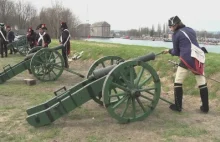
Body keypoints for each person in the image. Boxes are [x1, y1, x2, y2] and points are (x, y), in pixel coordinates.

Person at [162, 16, 209, 113]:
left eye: (171, 27)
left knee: (178, 82)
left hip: (186, 59)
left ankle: (178, 106)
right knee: (201, 82)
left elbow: (176, 52)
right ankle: (205, 107)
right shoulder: (190, 30)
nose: (170, 29)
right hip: (198, 58)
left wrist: (169, 51)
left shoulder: (176, 35)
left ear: (175, 25)